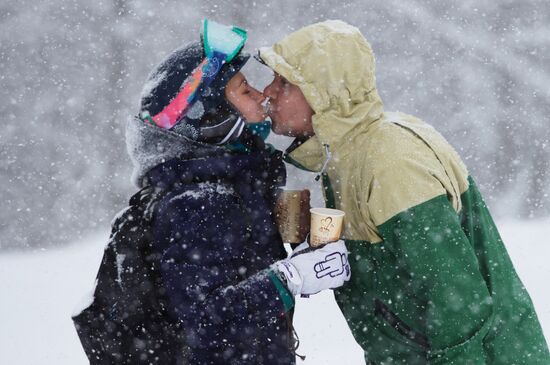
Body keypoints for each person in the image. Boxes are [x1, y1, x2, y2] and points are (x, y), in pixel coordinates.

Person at [257, 20, 550, 364]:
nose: (268, 92)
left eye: (285, 82)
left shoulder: (389, 162)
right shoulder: (346, 157)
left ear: (325, 92)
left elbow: (457, 305)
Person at [126, 20, 350, 364]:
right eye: (245, 91)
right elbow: (202, 321)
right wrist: (292, 277)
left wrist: (286, 241)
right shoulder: (197, 202)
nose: (262, 96)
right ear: (211, 116)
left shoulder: (229, 186)